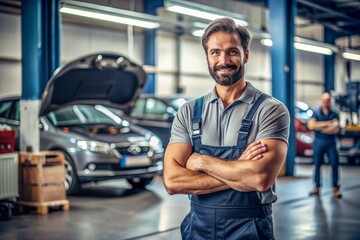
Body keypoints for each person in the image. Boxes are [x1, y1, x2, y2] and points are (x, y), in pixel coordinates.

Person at [163, 18, 290, 240]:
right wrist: (241, 169)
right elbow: (173, 181)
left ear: (246, 55)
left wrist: (201, 162)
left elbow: (260, 179)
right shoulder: (188, 112)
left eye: (232, 52)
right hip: (197, 227)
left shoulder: (270, 111)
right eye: (215, 53)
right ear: (207, 57)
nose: (223, 60)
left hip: (249, 227)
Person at [307, 92, 342, 198]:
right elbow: (311, 126)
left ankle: (335, 188)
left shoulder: (335, 114)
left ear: (330, 101)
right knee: (317, 165)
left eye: (328, 101)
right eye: (324, 101)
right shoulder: (316, 112)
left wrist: (319, 126)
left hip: (331, 142)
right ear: (321, 101)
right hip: (319, 142)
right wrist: (328, 124)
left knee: (334, 165)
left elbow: (335, 129)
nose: (326, 103)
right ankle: (316, 187)